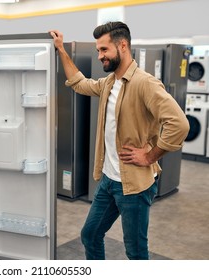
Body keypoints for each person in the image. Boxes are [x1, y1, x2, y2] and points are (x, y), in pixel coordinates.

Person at [50, 22, 189, 260]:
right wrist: (62, 49)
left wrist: (149, 156)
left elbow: (179, 124)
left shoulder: (145, 83)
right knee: (90, 235)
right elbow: (80, 83)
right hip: (108, 180)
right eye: (98, 51)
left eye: (104, 50)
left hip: (134, 186)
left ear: (122, 45)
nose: (100, 55)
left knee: (135, 251)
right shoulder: (109, 83)